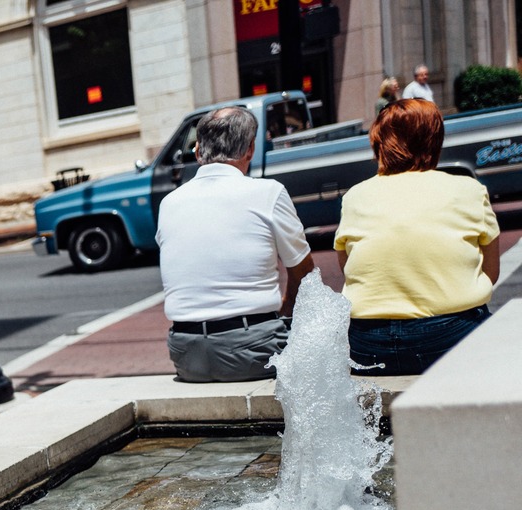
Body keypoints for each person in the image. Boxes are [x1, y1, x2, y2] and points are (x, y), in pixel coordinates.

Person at [334, 98, 499, 374]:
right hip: (449, 336)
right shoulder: (468, 189)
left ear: (379, 144)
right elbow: (490, 273)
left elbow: (348, 268)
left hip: (367, 343)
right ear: (434, 140)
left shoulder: (355, 196)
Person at [156, 106, 316, 383]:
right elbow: (304, 272)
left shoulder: (168, 203)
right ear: (250, 150)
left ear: (197, 151)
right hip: (255, 349)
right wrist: (286, 309)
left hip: (186, 354)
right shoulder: (268, 193)